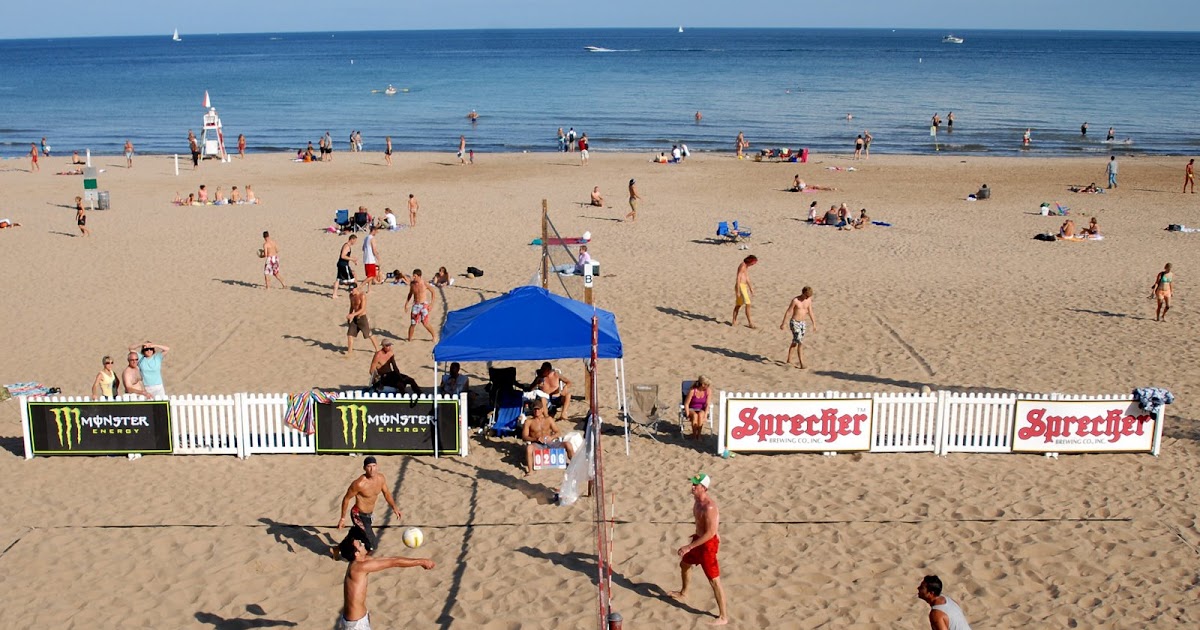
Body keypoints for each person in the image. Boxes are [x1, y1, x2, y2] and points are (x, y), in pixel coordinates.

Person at [668, 473, 728, 625]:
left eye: (696, 485)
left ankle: (723, 617)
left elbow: (710, 532)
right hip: (699, 540)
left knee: (714, 581)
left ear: (704, 488)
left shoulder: (709, 506)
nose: (693, 487)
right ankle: (684, 592)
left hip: (707, 546)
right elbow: (707, 526)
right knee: (684, 565)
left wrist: (689, 546)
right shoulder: (696, 501)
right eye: (693, 484)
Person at [334, 456, 403, 559]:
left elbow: (387, 493)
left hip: (369, 515)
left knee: (356, 534)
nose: (372, 469)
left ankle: (337, 549)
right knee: (372, 543)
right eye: (369, 466)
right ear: (364, 468)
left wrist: (394, 507)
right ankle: (363, 562)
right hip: (358, 514)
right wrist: (342, 518)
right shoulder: (359, 484)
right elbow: (346, 499)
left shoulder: (381, 478)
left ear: (377, 466)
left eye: (374, 466)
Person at [520, 398, 575, 476]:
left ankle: (574, 466)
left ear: (542, 409)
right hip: (537, 444)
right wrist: (536, 439)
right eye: (535, 409)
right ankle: (530, 470)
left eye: (538, 409)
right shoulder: (529, 422)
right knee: (529, 448)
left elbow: (558, 432)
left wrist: (551, 437)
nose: (536, 411)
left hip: (551, 442)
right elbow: (524, 437)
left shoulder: (549, 419)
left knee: (568, 444)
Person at [780, 287, 817, 368]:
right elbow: (789, 311)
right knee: (800, 342)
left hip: (803, 323)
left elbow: (810, 312)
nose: (807, 298)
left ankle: (789, 359)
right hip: (794, 322)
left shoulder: (809, 300)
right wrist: (783, 323)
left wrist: (814, 323)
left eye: (809, 297)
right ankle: (801, 363)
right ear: (803, 293)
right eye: (806, 296)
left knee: (795, 341)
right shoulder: (795, 301)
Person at [345, 283, 378, 356]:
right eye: (350, 290)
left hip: (362, 318)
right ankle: (349, 352)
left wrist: (353, 314)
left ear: (356, 288)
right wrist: (350, 315)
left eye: (352, 290)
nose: (351, 292)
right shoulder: (351, 296)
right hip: (355, 318)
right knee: (350, 335)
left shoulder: (362, 296)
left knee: (369, 335)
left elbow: (363, 309)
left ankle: (377, 349)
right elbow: (352, 306)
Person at [405, 269, 437, 342]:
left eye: (415, 276)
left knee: (425, 322)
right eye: (413, 276)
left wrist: (432, 304)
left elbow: (433, 292)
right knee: (413, 323)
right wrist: (406, 304)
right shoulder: (412, 284)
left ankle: (434, 336)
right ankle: (409, 339)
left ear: (419, 276)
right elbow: (410, 294)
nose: (413, 277)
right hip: (415, 305)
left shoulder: (424, 283)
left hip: (423, 304)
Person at [731, 255, 757, 329]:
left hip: (744, 287)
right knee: (748, 303)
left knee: (739, 305)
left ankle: (734, 321)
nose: (753, 265)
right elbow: (738, 278)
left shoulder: (746, 266)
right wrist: (738, 290)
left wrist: (750, 287)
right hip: (740, 286)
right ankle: (750, 322)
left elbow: (746, 277)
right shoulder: (742, 266)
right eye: (753, 263)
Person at [333, 234, 358, 300]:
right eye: (354, 241)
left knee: (338, 279)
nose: (355, 243)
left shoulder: (347, 245)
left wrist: (353, 260)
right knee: (352, 279)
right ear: (351, 239)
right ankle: (354, 292)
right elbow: (343, 256)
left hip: (341, 264)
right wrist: (352, 259)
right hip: (343, 264)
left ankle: (334, 294)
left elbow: (346, 256)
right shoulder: (347, 246)